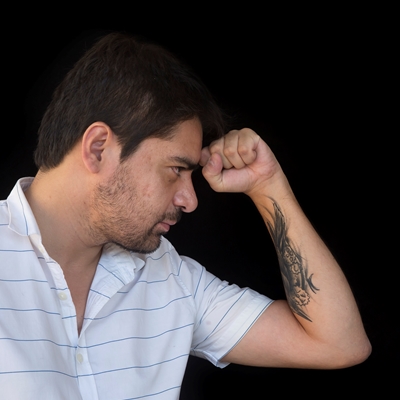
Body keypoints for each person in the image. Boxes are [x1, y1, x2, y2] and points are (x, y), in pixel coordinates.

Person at [0, 31, 371, 399]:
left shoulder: (170, 278)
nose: (190, 200)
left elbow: (340, 343)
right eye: (176, 169)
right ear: (98, 149)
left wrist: (268, 186)